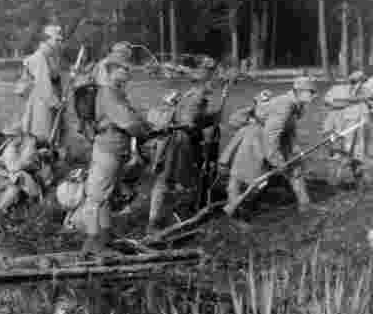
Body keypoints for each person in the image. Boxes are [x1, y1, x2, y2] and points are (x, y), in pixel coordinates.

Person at [223, 76, 317, 221]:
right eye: (311, 92)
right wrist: (277, 161)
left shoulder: (296, 104)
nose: (313, 95)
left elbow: (286, 129)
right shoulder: (285, 105)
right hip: (257, 139)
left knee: (295, 168)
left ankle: (305, 206)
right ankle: (237, 214)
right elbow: (270, 136)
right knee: (248, 177)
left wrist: (293, 149)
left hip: (278, 139)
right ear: (300, 92)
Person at [80, 56, 148, 254]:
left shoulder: (116, 93)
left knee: (106, 195)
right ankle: (92, 243)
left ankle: (105, 236)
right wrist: (145, 130)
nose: (127, 72)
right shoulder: (108, 93)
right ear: (111, 72)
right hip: (108, 147)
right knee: (96, 197)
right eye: (123, 69)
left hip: (116, 147)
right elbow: (128, 121)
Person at [146, 56, 221, 233]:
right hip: (180, 142)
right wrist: (210, 119)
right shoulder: (197, 97)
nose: (214, 84)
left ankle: (159, 219)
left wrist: (210, 118)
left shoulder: (192, 94)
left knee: (167, 181)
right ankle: (165, 220)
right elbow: (189, 122)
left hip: (175, 140)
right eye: (212, 79)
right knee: (175, 181)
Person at [20, 24, 64, 144]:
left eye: (61, 40)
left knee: (52, 134)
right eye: (57, 40)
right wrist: (56, 103)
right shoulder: (39, 57)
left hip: (49, 100)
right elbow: (43, 84)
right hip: (41, 101)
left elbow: (55, 79)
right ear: (46, 40)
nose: (59, 43)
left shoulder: (52, 56)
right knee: (41, 136)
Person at [322, 70, 369, 177]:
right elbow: (329, 102)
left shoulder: (366, 92)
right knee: (337, 156)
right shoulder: (337, 90)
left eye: (362, 82)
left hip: (357, 132)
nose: (358, 85)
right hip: (339, 129)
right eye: (355, 82)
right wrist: (353, 100)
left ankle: (359, 182)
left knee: (357, 156)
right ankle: (333, 182)